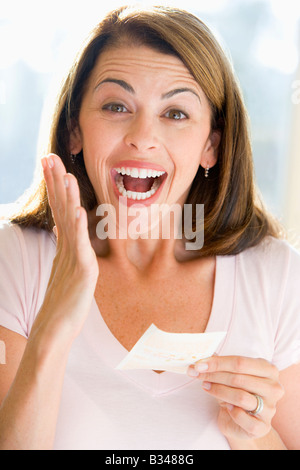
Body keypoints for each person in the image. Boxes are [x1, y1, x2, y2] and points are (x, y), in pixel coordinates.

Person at [0, 4, 299, 451]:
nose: (143, 135)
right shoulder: (16, 260)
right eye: (116, 106)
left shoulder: (278, 278)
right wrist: (53, 323)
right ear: (74, 131)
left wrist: (254, 437)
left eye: (176, 113)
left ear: (211, 145)